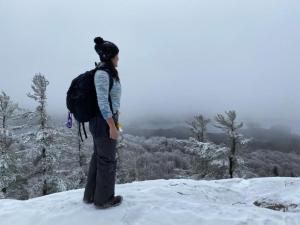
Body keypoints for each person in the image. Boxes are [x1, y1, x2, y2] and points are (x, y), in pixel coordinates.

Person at [83, 36, 122, 209]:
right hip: (103, 122)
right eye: (116, 56)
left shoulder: (106, 71)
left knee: (99, 157)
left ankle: (91, 196)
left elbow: (109, 99)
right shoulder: (102, 74)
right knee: (107, 159)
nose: (118, 59)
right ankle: (104, 199)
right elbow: (102, 102)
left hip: (103, 120)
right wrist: (112, 126)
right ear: (108, 56)